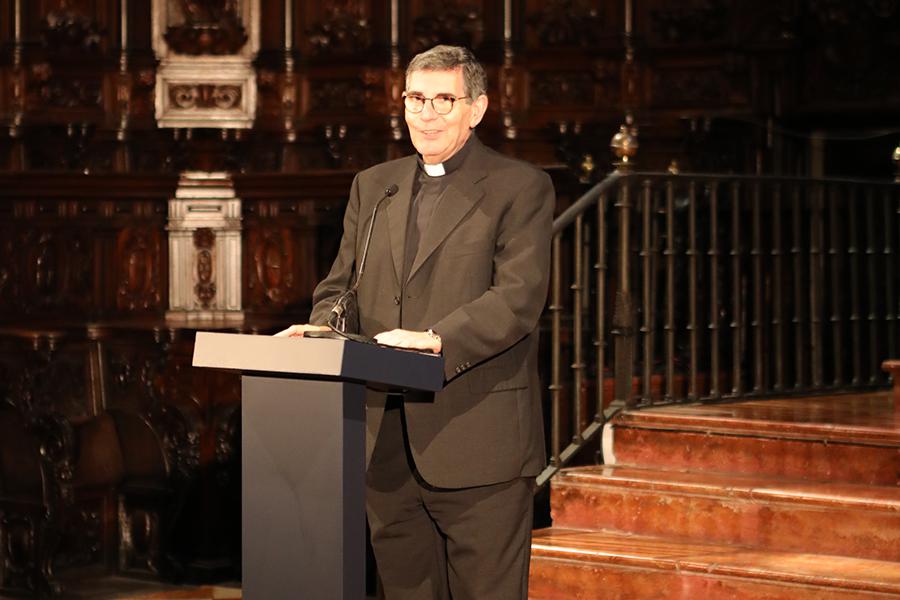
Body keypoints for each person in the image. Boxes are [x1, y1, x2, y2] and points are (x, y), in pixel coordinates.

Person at [278, 44, 554, 600]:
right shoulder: (374, 185)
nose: (426, 114)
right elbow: (341, 286)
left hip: (478, 442)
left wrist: (439, 340)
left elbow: (518, 298)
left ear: (476, 108)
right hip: (384, 445)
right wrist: (321, 328)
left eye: (444, 100)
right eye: (415, 99)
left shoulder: (520, 187)